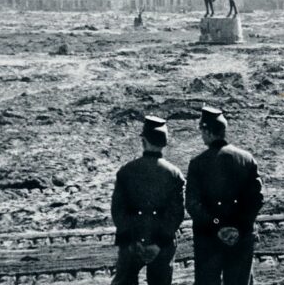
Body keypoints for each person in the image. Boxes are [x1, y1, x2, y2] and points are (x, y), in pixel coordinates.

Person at [186, 106, 263, 285]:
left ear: (207, 131)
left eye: (202, 130)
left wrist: (217, 226)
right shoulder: (247, 159)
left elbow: (192, 204)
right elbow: (257, 199)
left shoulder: (197, 164)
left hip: (208, 239)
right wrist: (238, 227)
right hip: (241, 237)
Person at [111, 116, 185, 285]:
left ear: (143, 141)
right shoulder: (174, 174)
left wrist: (133, 241)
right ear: (164, 143)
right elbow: (176, 214)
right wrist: (158, 243)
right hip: (162, 245)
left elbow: (118, 211)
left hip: (132, 243)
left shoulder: (126, 171)